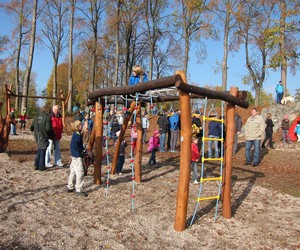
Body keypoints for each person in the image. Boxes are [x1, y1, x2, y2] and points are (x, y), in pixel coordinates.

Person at [67, 120, 88, 197]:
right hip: (76, 156)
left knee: (73, 171)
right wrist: (81, 152)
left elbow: (79, 145)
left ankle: (70, 186)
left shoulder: (77, 134)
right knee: (80, 172)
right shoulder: (76, 135)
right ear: (78, 127)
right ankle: (78, 189)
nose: (82, 126)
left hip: (74, 155)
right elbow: (75, 146)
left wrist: (83, 150)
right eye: (80, 125)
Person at [30, 106, 54, 171]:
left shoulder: (37, 116)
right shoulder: (47, 117)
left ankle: (36, 165)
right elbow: (48, 128)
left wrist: (34, 130)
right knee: (43, 150)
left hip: (37, 136)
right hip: (43, 136)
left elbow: (31, 127)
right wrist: (52, 133)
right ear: (48, 111)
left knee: (40, 149)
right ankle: (41, 167)